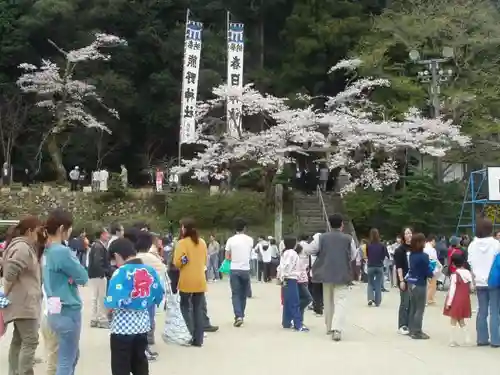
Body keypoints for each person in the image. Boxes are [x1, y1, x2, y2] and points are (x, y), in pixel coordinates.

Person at [106, 238, 164, 375]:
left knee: (121, 367)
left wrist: (108, 314)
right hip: (142, 325)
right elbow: (159, 295)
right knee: (140, 363)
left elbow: (111, 303)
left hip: (122, 328)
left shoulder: (120, 273)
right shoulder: (150, 271)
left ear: (117, 256)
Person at [43, 209, 89, 375]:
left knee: (69, 356)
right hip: (68, 309)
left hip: (53, 308)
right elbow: (83, 277)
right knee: (66, 361)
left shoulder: (47, 250)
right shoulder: (62, 251)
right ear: (63, 228)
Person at [2, 216, 43, 375]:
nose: (40, 234)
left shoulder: (21, 246)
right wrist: (6, 291)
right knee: (30, 341)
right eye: (38, 231)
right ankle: (24, 372)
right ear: (30, 231)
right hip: (25, 303)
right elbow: (10, 272)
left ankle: (14, 371)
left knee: (18, 341)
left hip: (21, 301)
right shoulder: (22, 248)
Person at [307, 214, 355, 341]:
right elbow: (354, 255)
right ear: (342, 225)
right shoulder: (348, 239)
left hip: (325, 273)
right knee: (340, 301)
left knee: (328, 301)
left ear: (329, 224)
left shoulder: (321, 237)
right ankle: (337, 329)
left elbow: (310, 250)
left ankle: (328, 326)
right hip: (342, 273)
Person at [173, 218, 207, 346]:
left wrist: (184, 260)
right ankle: (199, 338)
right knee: (198, 309)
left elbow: (177, 263)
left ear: (185, 229)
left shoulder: (182, 243)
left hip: (187, 279)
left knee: (185, 307)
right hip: (200, 279)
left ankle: (191, 333)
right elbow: (205, 261)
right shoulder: (202, 242)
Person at [467, 218, 500, 347]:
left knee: (482, 310)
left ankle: (482, 339)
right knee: (495, 311)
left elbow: (470, 264)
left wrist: (473, 281)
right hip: (494, 281)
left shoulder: (472, 245)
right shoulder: (496, 244)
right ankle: (496, 340)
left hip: (479, 281)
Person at [135, 231, 166, 357]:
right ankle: (147, 343)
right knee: (149, 318)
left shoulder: (135, 257)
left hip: (136, 294)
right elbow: (162, 270)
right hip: (149, 293)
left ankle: (142, 345)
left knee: (139, 319)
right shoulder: (152, 258)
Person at [225, 218, 253, 327]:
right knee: (243, 294)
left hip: (234, 268)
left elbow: (227, 257)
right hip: (245, 269)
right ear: (245, 228)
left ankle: (238, 315)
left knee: (235, 294)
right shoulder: (250, 240)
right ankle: (242, 313)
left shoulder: (230, 240)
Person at [278, 237, 308, 332]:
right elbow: (287, 266)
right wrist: (286, 274)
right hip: (291, 278)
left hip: (287, 279)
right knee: (294, 302)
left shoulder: (285, 252)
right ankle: (298, 324)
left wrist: (282, 276)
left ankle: (286, 322)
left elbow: (281, 266)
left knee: (287, 301)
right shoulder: (292, 253)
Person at [406, 232, 433, 340]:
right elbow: (427, 271)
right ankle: (417, 331)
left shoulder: (412, 255)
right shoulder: (424, 256)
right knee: (420, 308)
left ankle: (411, 328)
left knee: (413, 306)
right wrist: (432, 272)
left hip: (411, 281)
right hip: (420, 283)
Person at [443, 252, 473, 347]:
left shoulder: (455, 275)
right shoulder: (468, 273)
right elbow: (471, 287)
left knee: (453, 320)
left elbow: (452, 290)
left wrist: (448, 302)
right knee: (461, 318)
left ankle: (452, 340)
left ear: (453, 264)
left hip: (456, 299)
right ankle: (467, 337)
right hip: (465, 299)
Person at [87, 228, 110, 329]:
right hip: (99, 275)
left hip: (93, 274)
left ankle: (94, 318)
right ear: (102, 235)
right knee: (101, 297)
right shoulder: (99, 246)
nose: (108, 235)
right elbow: (97, 261)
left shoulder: (95, 245)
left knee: (94, 297)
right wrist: (103, 272)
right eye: (106, 234)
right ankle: (101, 318)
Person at [394, 227, 412, 335]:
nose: (409, 235)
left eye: (410, 233)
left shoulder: (415, 248)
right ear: (403, 236)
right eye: (406, 233)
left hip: (414, 279)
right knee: (405, 302)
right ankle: (402, 324)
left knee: (412, 303)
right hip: (404, 278)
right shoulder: (400, 250)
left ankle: (410, 323)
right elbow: (399, 267)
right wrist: (401, 280)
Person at [366, 228, 389, 307]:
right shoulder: (382, 245)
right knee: (378, 284)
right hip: (379, 266)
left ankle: (370, 298)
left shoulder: (368, 245)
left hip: (370, 265)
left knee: (370, 283)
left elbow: (368, 255)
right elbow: (386, 255)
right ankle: (377, 301)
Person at [424, 234, 440, 305]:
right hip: (432, 267)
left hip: (424, 267)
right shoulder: (432, 249)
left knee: (427, 284)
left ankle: (429, 299)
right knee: (432, 285)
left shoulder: (423, 247)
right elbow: (435, 259)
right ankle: (428, 299)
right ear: (432, 241)